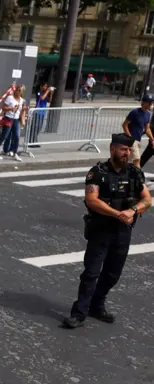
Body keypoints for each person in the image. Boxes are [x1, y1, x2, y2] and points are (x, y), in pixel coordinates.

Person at [63, 133, 152, 329]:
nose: (126, 153)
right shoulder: (98, 172)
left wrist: (132, 210)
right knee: (91, 273)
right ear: (112, 149)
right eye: (123, 149)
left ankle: (97, 304)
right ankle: (79, 312)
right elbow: (91, 200)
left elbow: (147, 199)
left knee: (112, 274)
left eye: (129, 150)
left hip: (123, 231)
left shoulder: (134, 173)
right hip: (101, 230)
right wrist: (115, 213)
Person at [121, 95, 153, 169]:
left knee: (126, 160)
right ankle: (139, 177)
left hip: (138, 140)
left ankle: (120, 174)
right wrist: (130, 137)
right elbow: (124, 125)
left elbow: (147, 129)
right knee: (137, 160)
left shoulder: (148, 114)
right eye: (149, 103)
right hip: (132, 140)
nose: (151, 105)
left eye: (151, 103)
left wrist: (152, 139)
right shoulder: (135, 112)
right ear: (144, 103)